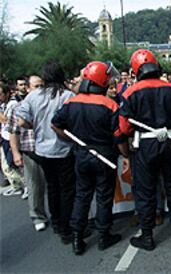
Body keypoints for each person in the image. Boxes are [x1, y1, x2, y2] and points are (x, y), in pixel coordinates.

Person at [119, 49, 171, 251]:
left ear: (136, 70)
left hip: (144, 146)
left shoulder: (129, 93)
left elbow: (124, 127)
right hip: (170, 141)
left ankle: (148, 236)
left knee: (145, 191)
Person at [51, 61, 126, 255]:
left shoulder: (71, 102)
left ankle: (77, 237)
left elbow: (55, 125)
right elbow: (118, 136)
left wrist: (72, 139)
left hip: (82, 154)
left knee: (82, 195)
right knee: (104, 196)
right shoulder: (110, 105)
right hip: (104, 156)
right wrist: (126, 153)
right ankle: (103, 235)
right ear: (101, 80)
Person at [16, 61, 76, 244]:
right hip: (64, 148)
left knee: (53, 186)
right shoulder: (68, 95)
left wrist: (36, 127)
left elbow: (21, 122)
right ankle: (66, 226)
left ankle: (56, 222)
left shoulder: (33, 96)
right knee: (67, 189)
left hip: (42, 150)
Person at [8, 75, 48, 231]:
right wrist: (16, 153)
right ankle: (38, 216)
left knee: (54, 185)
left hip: (49, 150)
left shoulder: (47, 105)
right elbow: (13, 132)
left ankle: (60, 215)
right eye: (36, 86)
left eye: (41, 86)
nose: (40, 90)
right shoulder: (18, 108)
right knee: (34, 186)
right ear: (28, 88)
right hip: (30, 151)